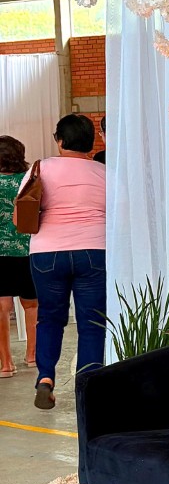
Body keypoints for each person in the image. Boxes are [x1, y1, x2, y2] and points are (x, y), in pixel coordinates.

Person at [23, 113, 106, 411]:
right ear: (91, 142)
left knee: (49, 318)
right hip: (94, 250)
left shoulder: (40, 169)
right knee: (93, 322)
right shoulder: (104, 172)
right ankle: (88, 390)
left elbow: (23, 211)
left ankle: (45, 378)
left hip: (48, 253)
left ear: (59, 140)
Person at [0, 135, 38, 378]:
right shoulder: (29, 180)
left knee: (1, 307)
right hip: (28, 249)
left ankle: (6, 364)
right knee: (31, 304)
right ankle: (32, 355)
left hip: (0, 252)